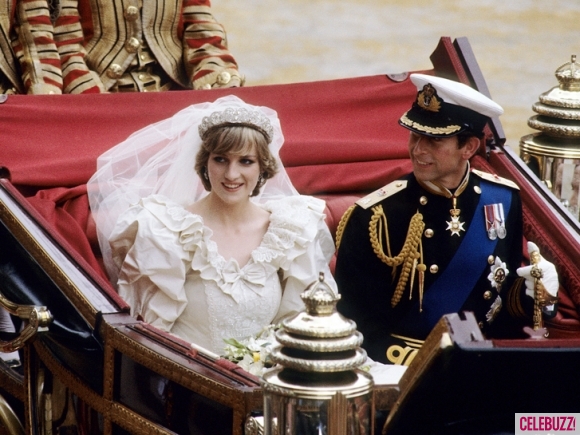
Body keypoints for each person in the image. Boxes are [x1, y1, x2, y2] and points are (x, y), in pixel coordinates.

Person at [334, 74, 559, 365]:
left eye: (434, 140)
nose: (418, 150)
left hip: (484, 362)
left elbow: (499, 301)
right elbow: (356, 323)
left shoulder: (503, 198)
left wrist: (535, 293)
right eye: (415, 136)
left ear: (469, 148)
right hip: (403, 371)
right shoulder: (376, 216)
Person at [87, 95, 338, 356]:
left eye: (245, 161)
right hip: (187, 383)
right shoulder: (166, 231)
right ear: (205, 163)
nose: (231, 174)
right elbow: (149, 338)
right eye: (220, 159)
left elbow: (301, 325)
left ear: (263, 167)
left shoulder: (291, 229)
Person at [52, 0, 241, 94]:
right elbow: (65, 44)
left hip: (172, 96)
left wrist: (220, 83)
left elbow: (201, 29)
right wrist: (92, 101)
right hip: (100, 95)